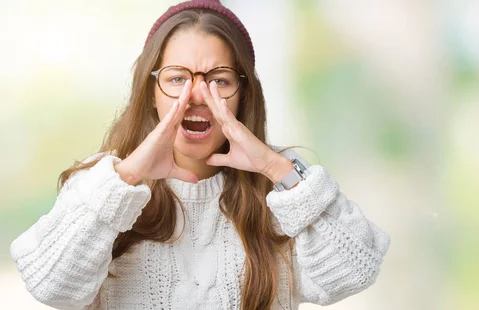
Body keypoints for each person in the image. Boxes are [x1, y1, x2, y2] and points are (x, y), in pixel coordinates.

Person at [9, 1, 390, 309]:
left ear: (243, 95)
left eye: (218, 80)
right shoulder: (104, 185)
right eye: (178, 78)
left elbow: (354, 271)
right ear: (152, 91)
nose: (196, 96)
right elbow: (51, 287)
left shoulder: (283, 192)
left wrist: (276, 168)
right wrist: (128, 177)